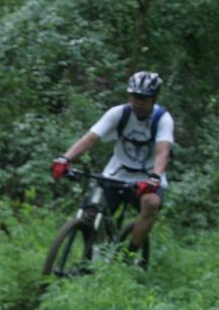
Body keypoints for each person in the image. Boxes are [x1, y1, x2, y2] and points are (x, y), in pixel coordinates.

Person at [51, 71, 175, 257]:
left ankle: (129, 254)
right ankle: (96, 253)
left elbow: (162, 150)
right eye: (134, 96)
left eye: (144, 98)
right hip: (115, 173)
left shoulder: (163, 119)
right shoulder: (119, 113)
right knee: (90, 211)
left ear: (153, 98)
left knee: (151, 203)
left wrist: (155, 176)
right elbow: (90, 139)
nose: (138, 102)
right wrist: (65, 158)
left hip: (148, 178)